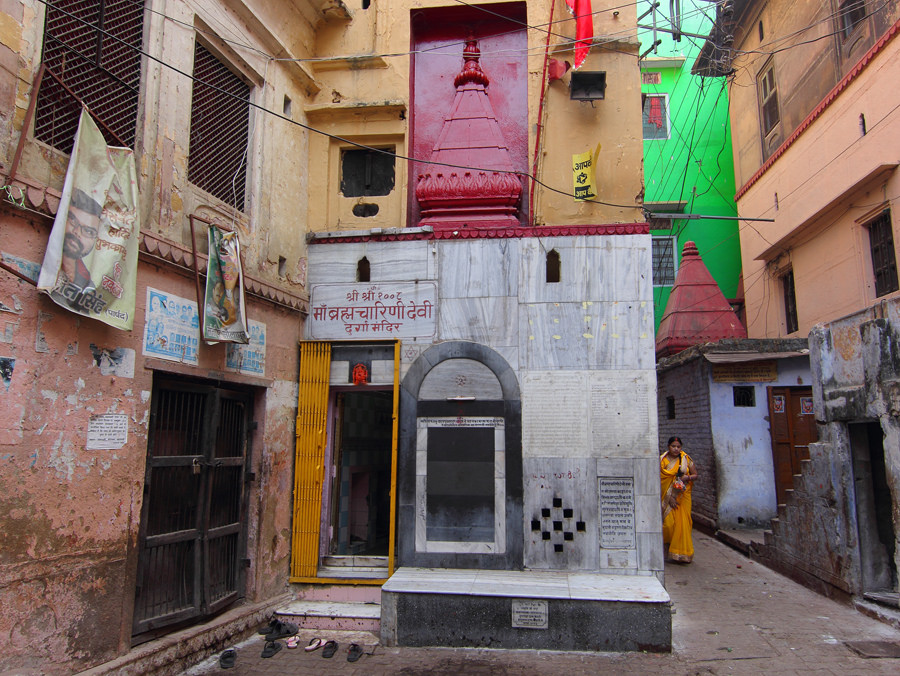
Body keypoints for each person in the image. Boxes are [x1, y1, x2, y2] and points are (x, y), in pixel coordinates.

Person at [660, 436, 699, 563]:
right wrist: (670, 496)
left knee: (683, 524)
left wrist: (687, 478)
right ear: (668, 447)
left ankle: (682, 554)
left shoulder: (686, 459)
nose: (676, 449)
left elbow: (695, 475)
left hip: (683, 496)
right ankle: (667, 547)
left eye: (678, 447)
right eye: (673, 446)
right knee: (669, 525)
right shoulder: (662, 461)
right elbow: (660, 481)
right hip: (667, 497)